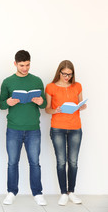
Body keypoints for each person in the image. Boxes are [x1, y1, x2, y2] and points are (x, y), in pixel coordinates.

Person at [0, 50, 47, 206]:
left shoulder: (37, 81)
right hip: (14, 128)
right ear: (15, 64)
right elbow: (1, 104)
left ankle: (38, 193)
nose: (25, 68)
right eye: (22, 65)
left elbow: (45, 104)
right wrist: (9, 102)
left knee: (35, 162)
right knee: (13, 162)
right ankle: (11, 192)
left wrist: (41, 102)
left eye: (27, 65)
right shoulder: (7, 82)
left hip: (33, 128)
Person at [45, 60, 87, 206]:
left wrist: (82, 106)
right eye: (64, 74)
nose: (67, 77)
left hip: (75, 128)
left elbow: (81, 103)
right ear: (59, 72)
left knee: (73, 162)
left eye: (70, 74)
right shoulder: (50, 87)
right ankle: (63, 192)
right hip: (58, 128)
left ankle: (72, 192)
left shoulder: (77, 86)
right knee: (61, 161)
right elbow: (47, 109)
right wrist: (55, 110)